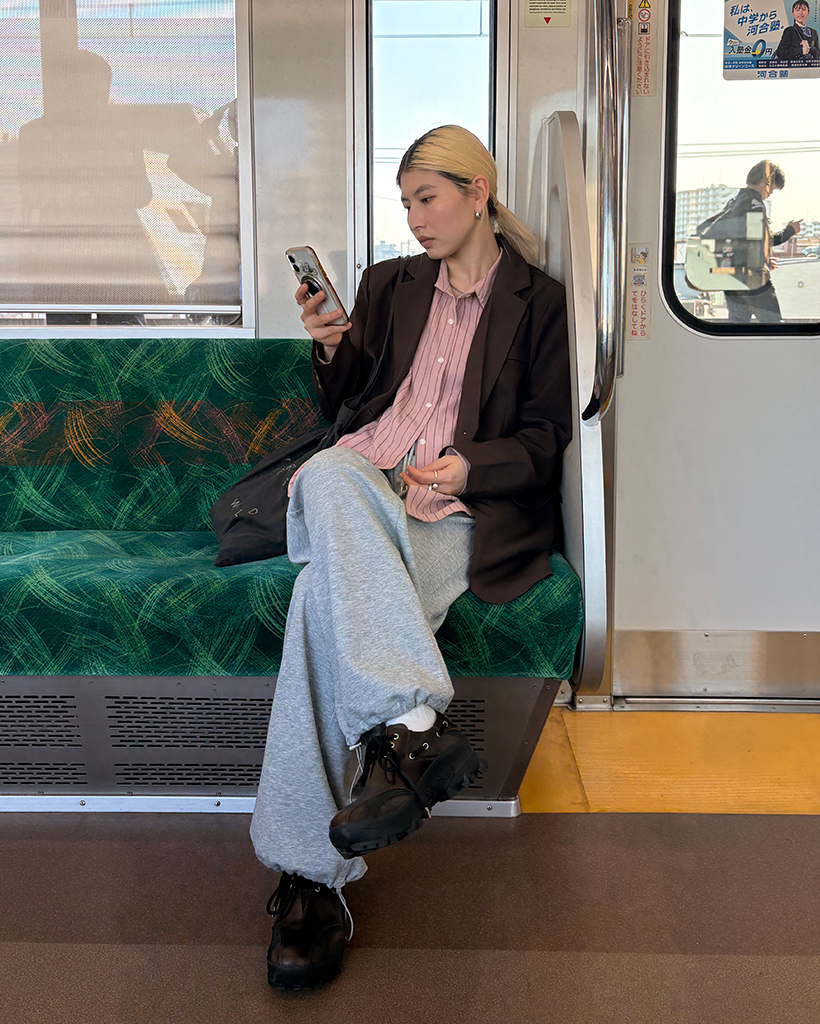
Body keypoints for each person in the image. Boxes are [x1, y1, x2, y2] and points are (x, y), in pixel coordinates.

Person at [249, 124, 571, 991]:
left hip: (452, 512)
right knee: (331, 470)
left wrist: (472, 466)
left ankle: (310, 879)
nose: (415, 218)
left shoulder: (538, 302)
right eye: (405, 203)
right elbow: (353, 400)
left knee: (318, 607)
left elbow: (544, 438)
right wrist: (329, 343)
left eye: (427, 198)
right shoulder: (389, 284)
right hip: (359, 489)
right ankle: (414, 735)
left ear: (478, 191)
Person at [722, 160, 802, 324]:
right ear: (766, 181)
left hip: (733, 280)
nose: (771, 192)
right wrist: (790, 231)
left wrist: (761, 257)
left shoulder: (733, 203)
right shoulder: (754, 204)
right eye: (772, 187)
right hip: (753, 281)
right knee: (774, 327)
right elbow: (763, 239)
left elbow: (743, 242)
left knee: (737, 329)